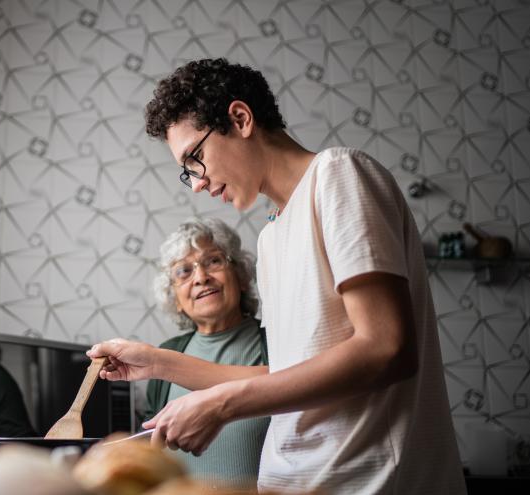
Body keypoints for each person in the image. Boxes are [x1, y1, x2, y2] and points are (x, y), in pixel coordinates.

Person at [88, 58, 465, 494]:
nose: (196, 183)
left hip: (368, 483)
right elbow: (287, 375)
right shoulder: (270, 237)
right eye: (186, 170)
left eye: (195, 157)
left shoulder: (338, 175)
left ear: (241, 119)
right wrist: (156, 362)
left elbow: (386, 347)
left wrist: (223, 405)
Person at [145, 217, 268, 486]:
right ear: (174, 298)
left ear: (242, 276)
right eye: (183, 271)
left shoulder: (274, 341)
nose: (201, 277)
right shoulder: (165, 357)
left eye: (213, 261)